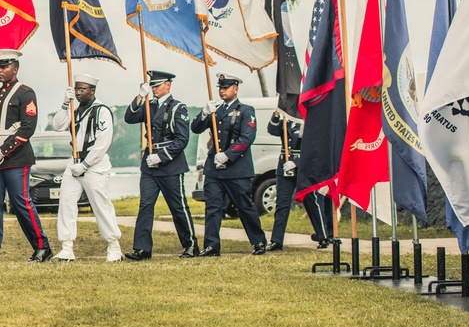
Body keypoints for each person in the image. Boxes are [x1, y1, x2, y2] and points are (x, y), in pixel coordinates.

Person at [0, 49, 52, 262]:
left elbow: (27, 127)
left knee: (21, 202)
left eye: (4, 67)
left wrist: (4, 150)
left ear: (15, 69)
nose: (0, 71)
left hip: (16, 156)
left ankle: (42, 247)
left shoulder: (25, 93)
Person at [123, 70, 198, 260]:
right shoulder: (149, 105)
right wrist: (140, 95)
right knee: (145, 205)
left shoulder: (178, 107)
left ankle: (190, 245)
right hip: (149, 163)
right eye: (152, 85)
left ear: (168, 85)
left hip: (170, 165)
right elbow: (129, 118)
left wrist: (161, 157)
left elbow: (182, 140)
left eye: (157, 85)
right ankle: (142, 248)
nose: (154, 88)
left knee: (178, 207)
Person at [190, 73, 268, 257]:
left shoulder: (246, 110)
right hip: (214, 169)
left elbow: (247, 137)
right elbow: (196, 128)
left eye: (226, 88)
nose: (222, 91)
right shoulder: (215, 110)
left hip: (237, 168)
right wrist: (204, 113)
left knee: (245, 207)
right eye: (220, 88)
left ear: (235, 89)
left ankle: (258, 242)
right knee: (213, 207)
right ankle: (211, 245)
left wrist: (227, 155)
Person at [50, 73, 123, 262]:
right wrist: (65, 103)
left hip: (94, 165)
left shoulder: (102, 110)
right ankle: (67, 247)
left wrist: (85, 164)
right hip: (73, 162)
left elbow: (102, 142)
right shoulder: (74, 109)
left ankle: (113, 247)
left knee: (101, 205)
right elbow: (57, 126)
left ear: (92, 90)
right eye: (76, 89)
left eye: (82, 90)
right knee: (66, 203)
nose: (78, 93)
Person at [265, 111, 336, 251]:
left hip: (305, 168)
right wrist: (276, 115)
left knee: (313, 203)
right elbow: (272, 130)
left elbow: (316, 147)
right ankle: (276, 240)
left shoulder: (312, 119)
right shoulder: (287, 119)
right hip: (285, 166)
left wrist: (296, 162)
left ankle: (323, 237)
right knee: (282, 204)